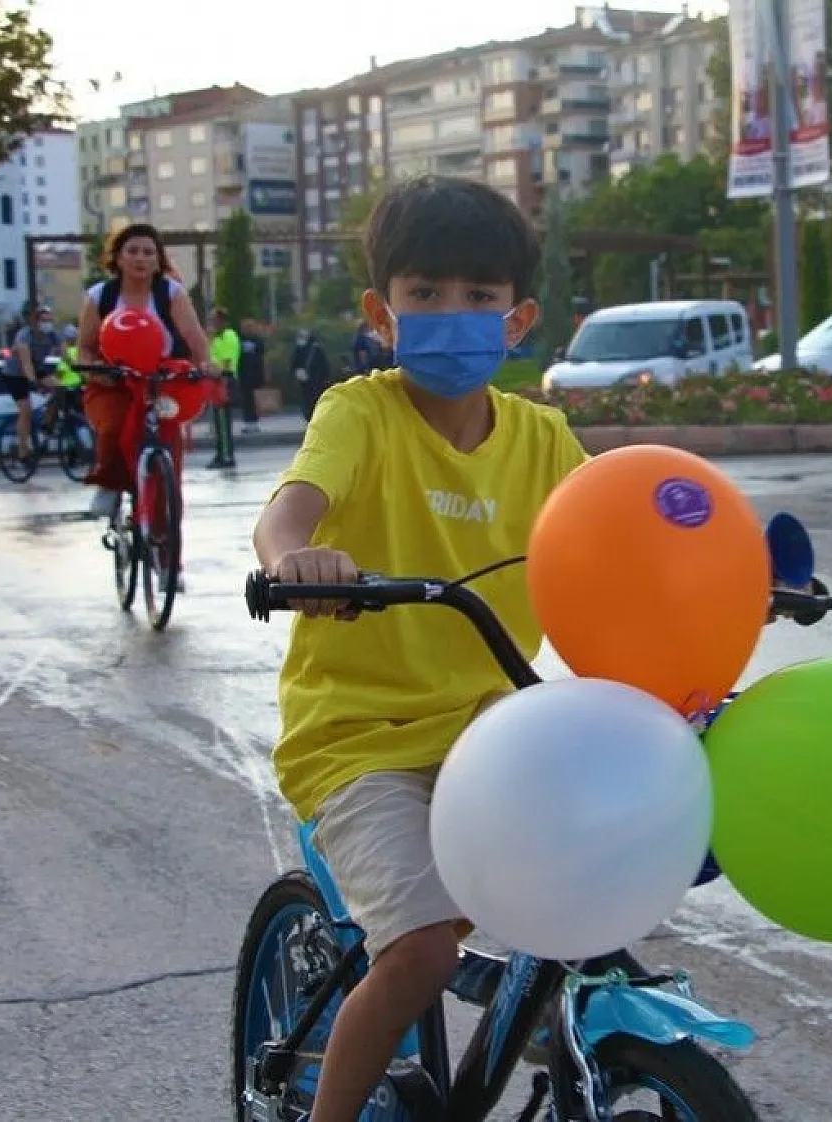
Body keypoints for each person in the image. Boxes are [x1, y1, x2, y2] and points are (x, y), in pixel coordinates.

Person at [251, 176, 586, 1122]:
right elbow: (290, 510)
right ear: (380, 311)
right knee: (422, 954)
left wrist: (723, 574)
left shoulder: (547, 438)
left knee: (587, 899)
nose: (452, 314)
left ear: (517, 319)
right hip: (360, 738)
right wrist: (296, 560)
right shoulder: (358, 413)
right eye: (425, 293)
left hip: (494, 733)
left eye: (479, 297)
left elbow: (627, 531)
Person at [75, 223, 213, 520]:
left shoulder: (170, 293)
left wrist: (205, 366)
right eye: (133, 251)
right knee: (113, 425)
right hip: (113, 380)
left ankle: (165, 543)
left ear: (158, 260)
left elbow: (194, 337)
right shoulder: (100, 296)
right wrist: (96, 370)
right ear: (119, 258)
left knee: (169, 444)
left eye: (149, 252)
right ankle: (110, 485)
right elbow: (84, 347)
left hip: (159, 381)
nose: (141, 258)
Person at [6, 302, 61, 460]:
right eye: (44, 320)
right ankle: (23, 450)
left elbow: (65, 356)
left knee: (60, 389)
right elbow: (26, 362)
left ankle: (47, 425)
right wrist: (33, 382)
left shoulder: (52, 335)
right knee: (25, 409)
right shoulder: (24, 336)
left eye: (49, 320)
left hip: (36, 367)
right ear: (35, 321)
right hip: (15, 374)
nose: (47, 324)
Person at [207, 308, 241, 469]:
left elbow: (227, 360)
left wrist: (216, 371)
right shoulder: (215, 338)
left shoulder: (229, 336)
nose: (212, 323)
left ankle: (227, 455)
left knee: (223, 420)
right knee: (218, 420)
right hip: (215, 380)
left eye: (215, 320)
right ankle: (221, 453)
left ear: (223, 322)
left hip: (224, 380)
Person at [289, 327, 332, 420]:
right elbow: (325, 364)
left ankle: (310, 416)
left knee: (307, 398)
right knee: (316, 398)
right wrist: (326, 377)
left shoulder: (299, 349)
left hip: (305, 380)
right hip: (317, 380)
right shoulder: (317, 348)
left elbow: (294, 363)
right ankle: (317, 415)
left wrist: (296, 374)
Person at [238, 317, 267, 434]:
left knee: (254, 400)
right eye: (245, 327)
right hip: (243, 374)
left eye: (250, 327)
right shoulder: (239, 340)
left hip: (255, 374)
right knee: (245, 399)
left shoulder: (258, 341)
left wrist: (265, 373)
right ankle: (247, 423)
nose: (247, 329)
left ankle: (254, 423)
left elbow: (263, 357)